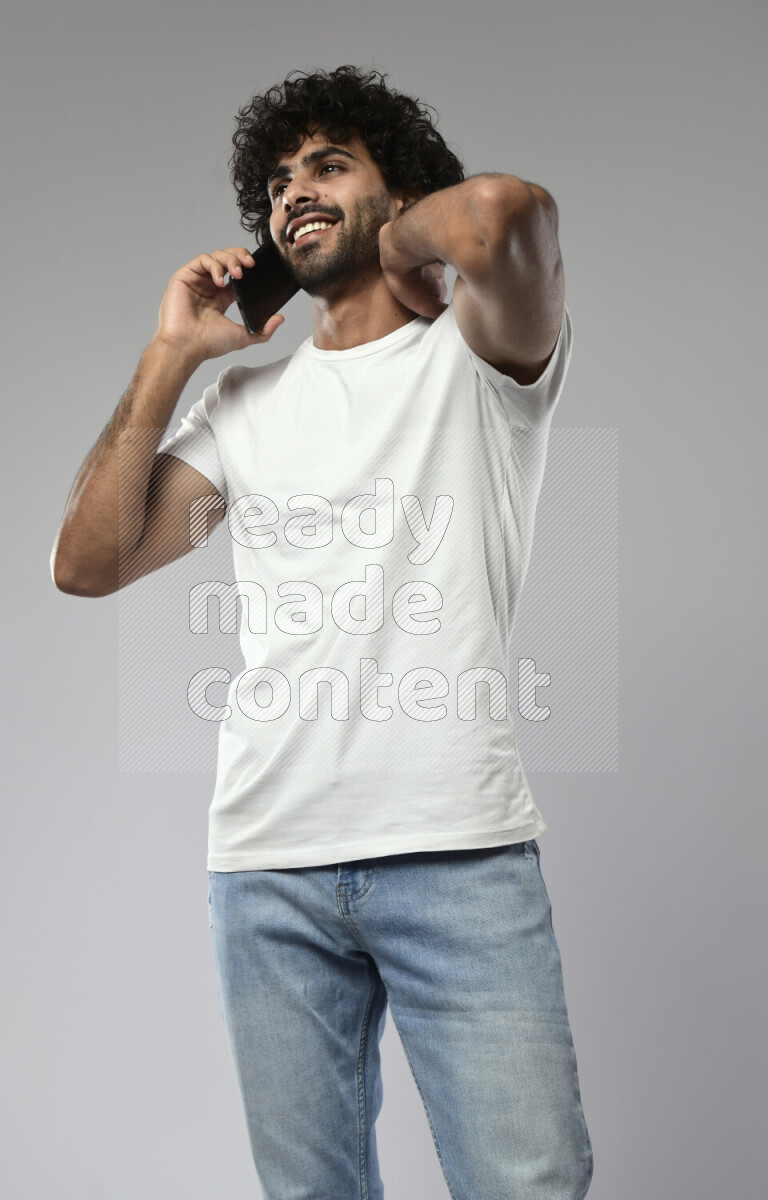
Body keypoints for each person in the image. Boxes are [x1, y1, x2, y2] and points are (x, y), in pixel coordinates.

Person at [51, 65, 593, 1200]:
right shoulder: (242, 412)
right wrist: (173, 355)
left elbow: (505, 218)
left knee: (525, 1183)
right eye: (276, 182)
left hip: (455, 852)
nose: (291, 194)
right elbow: (87, 563)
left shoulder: (481, 362)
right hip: (267, 870)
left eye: (327, 166)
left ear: (398, 190)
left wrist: (403, 244)